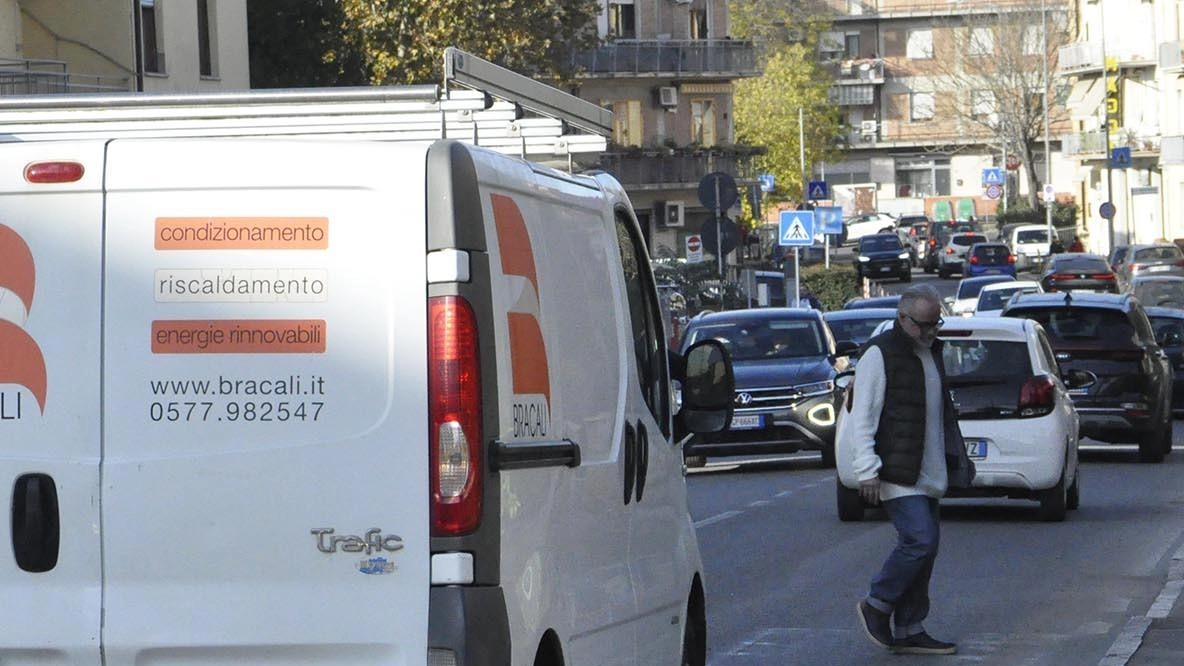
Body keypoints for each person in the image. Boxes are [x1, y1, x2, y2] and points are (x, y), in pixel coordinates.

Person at [850, 284, 975, 655]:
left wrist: (955, 461)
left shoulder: (931, 351)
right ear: (902, 319)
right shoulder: (880, 354)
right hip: (896, 470)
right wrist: (867, 469)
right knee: (919, 540)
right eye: (923, 325)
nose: (931, 331)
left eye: (936, 323)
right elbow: (863, 417)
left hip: (929, 469)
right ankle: (877, 604)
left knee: (927, 549)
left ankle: (910, 628)